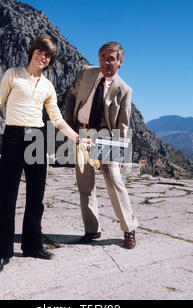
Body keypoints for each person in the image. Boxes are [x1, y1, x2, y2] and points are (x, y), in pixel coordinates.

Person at [0, 35, 84, 275]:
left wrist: (77, 138)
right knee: (7, 198)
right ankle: (1, 254)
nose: (42, 56)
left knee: (36, 198)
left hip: (37, 139)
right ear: (32, 51)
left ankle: (32, 246)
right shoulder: (12, 74)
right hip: (14, 137)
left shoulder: (48, 86)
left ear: (49, 62)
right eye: (40, 51)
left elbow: (56, 120)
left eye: (47, 55)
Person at [64, 41, 139, 249]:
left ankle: (129, 229)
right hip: (82, 132)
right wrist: (69, 123)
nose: (106, 62)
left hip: (107, 136)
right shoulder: (86, 73)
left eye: (111, 58)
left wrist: (122, 153)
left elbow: (123, 124)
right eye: (103, 57)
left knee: (114, 180)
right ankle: (92, 229)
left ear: (120, 62)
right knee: (85, 184)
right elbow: (70, 95)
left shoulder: (124, 89)